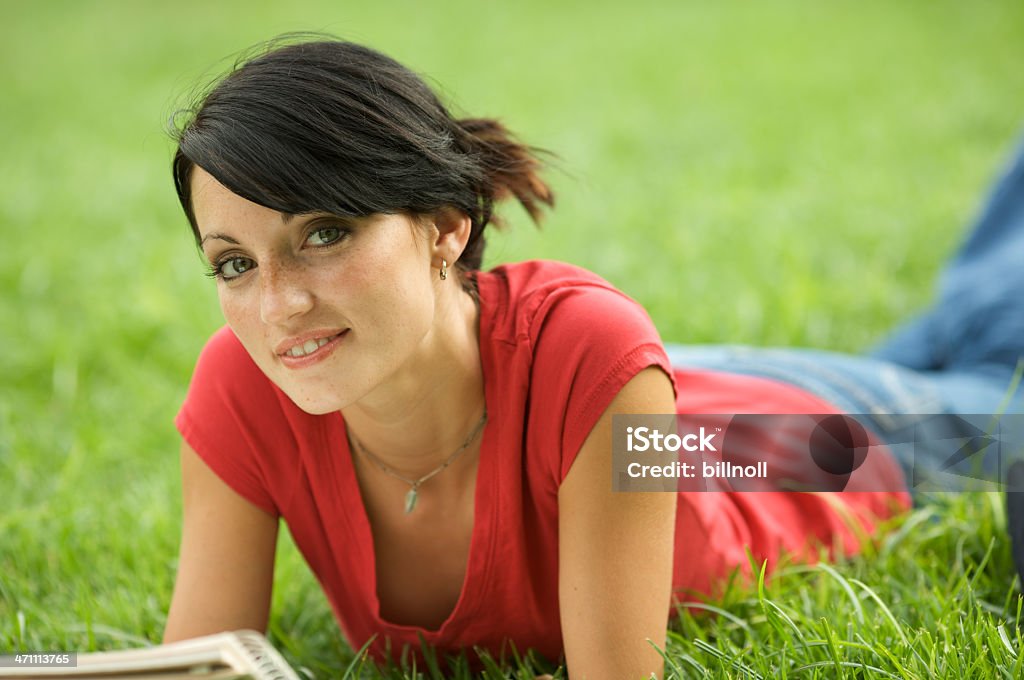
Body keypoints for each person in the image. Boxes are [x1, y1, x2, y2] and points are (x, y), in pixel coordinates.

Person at [162, 35, 1024, 678]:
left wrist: (614, 396)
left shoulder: (591, 359)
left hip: (750, 450)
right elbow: (198, 664)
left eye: (324, 233)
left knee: (998, 407)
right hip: (623, 405)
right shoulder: (249, 382)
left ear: (444, 228)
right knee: (956, 341)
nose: (278, 305)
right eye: (235, 262)